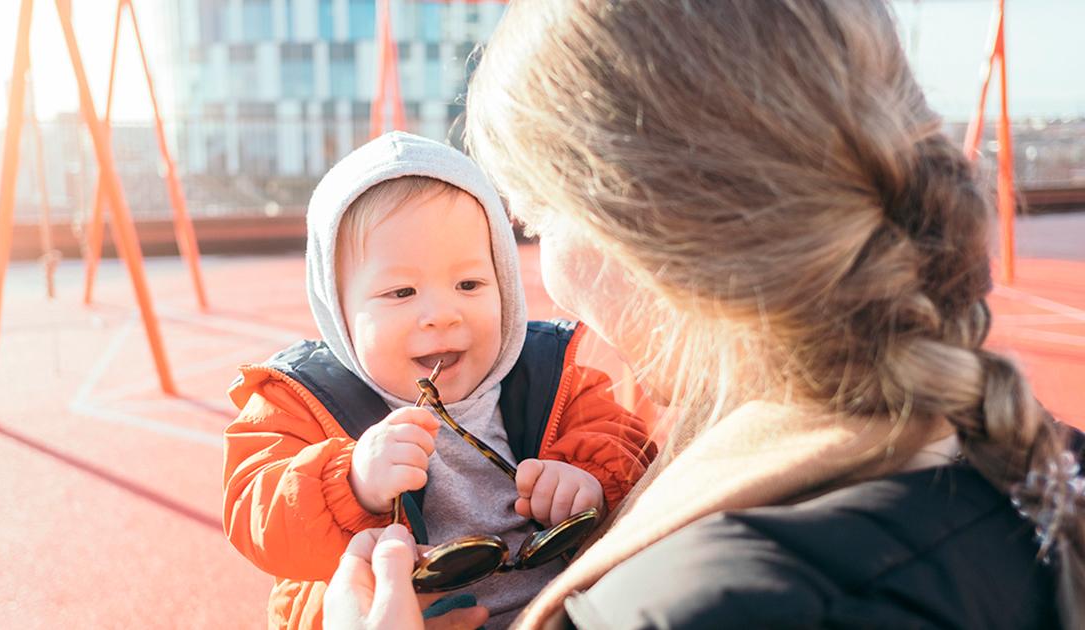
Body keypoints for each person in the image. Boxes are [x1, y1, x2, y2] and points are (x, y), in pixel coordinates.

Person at [323, 1, 1085, 628]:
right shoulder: (1045, 465)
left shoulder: (700, 604)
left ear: (638, 229)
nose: (550, 285)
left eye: (538, 220)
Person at [223, 131, 657, 629]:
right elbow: (252, 515)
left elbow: (629, 444)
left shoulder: (551, 372)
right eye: (401, 291)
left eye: (469, 284)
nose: (441, 315)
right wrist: (352, 482)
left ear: (506, 287)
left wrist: (591, 482)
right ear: (338, 310)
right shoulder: (300, 400)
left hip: (561, 610)